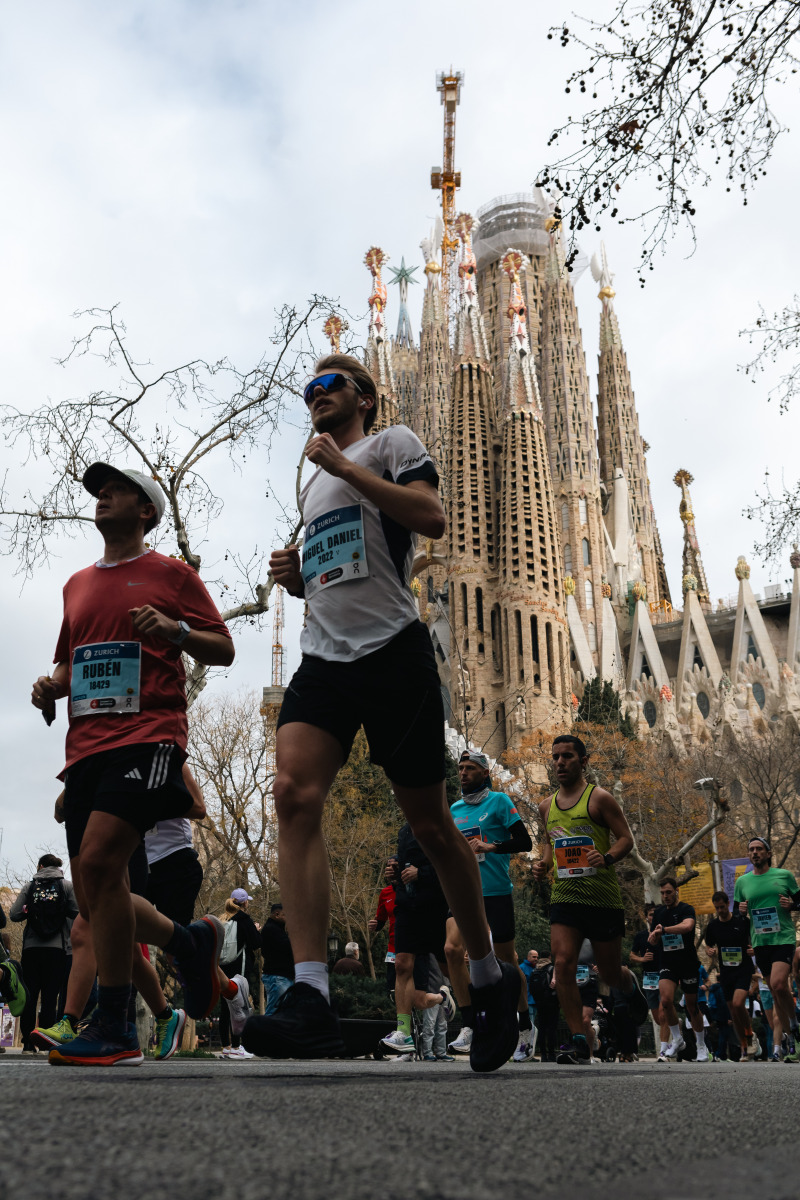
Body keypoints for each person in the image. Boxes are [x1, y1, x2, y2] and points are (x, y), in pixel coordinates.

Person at [245, 356, 519, 1073]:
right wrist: (299, 580)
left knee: (430, 825)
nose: (315, 396)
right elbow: (343, 576)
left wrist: (345, 466)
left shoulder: (391, 444)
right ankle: (310, 998)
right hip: (325, 660)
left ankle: (490, 981)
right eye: (307, 390)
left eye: (328, 386)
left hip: (393, 653)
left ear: (363, 398)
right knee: (291, 794)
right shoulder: (313, 486)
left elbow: (429, 517)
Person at [30, 461, 235, 1065]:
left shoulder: (171, 573)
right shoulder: (76, 585)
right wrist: (52, 687)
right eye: (98, 492)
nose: (102, 498)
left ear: (145, 510)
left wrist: (174, 631)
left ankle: (116, 1024)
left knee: (95, 864)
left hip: (149, 738)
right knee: (98, 893)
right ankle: (190, 941)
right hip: (85, 750)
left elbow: (222, 647)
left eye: (115, 491)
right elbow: (73, 663)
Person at [533, 735, 648, 1064]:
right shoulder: (546, 807)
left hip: (602, 900)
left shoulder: (600, 800)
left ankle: (629, 982)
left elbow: (626, 839)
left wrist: (607, 858)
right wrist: (543, 864)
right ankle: (580, 1041)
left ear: (583, 762)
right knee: (563, 964)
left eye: (567, 756)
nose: (559, 762)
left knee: (610, 975)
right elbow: (549, 843)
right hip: (565, 898)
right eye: (555, 757)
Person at [446, 750, 534, 1063]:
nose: (463, 773)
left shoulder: (499, 802)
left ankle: (524, 1023)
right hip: (463, 893)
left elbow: (525, 842)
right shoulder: (454, 809)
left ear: (485, 773)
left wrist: (491, 846)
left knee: (506, 959)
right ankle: (469, 1023)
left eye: (470, 768)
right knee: (452, 951)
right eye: (460, 768)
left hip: (495, 891)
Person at [380, 823, 455, 1055]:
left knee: (449, 967)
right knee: (402, 964)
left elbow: (452, 864)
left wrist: (422, 873)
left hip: (434, 905)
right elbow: (408, 867)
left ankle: (476, 1016)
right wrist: (396, 874)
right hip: (407, 906)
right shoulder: (403, 831)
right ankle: (403, 1032)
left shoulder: (440, 822)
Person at [734, 836, 800, 1061]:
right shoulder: (742, 882)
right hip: (760, 942)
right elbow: (736, 915)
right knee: (774, 991)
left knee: (779, 984)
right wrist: (741, 912)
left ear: (768, 853)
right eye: (751, 849)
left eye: (759, 849)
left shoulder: (784, 876)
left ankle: (794, 1025)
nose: (755, 853)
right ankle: (791, 1038)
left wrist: (791, 905)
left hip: (783, 938)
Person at [10, 854, 79, 1053]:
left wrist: (28, 912)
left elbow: (14, 914)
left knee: (30, 996)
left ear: (40, 866)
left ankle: (28, 1044)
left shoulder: (29, 887)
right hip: (57, 949)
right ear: (59, 868)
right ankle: (47, 1041)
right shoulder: (66, 886)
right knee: (50, 998)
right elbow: (79, 912)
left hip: (31, 949)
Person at [647, 877, 707, 1061]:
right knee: (665, 1001)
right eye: (663, 893)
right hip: (667, 963)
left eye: (668, 892)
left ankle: (701, 1045)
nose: (665, 896)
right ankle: (678, 1038)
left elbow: (687, 926)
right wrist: (653, 938)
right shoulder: (658, 913)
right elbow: (654, 937)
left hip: (687, 963)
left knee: (691, 1006)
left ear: (676, 891)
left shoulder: (686, 909)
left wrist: (663, 930)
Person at [703, 889, 759, 1061]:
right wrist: (709, 950)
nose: (720, 910)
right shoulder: (712, 926)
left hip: (743, 969)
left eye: (722, 906)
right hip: (726, 971)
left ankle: (750, 1034)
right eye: (717, 908)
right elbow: (708, 945)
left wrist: (753, 949)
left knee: (738, 1002)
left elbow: (755, 939)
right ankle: (744, 1046)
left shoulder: (742, 922)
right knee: (733, 1011)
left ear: (728, 904)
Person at [218, 890, 261, 1059]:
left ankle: (226, 1047)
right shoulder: (244, 920)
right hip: (239, 968)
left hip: (222, 968)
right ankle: (236, 1046)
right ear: (244, 903)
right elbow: (256, 943)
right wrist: (256, 930)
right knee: (238, 1006)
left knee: (224, 1008)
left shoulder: (222, 919)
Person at [629, 902, 669, 1055]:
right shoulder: (641, 936)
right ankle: (675, 1024)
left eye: (656, 914)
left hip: (665, 975)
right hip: (649, 979)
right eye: (651, 914)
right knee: (659, 1019)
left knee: (663, 1011)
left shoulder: (666, 933)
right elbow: (631, 956)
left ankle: (664, 1051)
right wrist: (642, 959)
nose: (653, 917)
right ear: (646, 917)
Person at [368, 857, 398, 995]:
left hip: (415, 946)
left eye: (393, 866)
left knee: (418, 989)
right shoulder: (385, 893)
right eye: (388, 865)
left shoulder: (412, 889)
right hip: (393, 946)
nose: (389, 868)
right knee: (392, 990)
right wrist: (375, 925)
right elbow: (380, 920)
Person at [261, 902, 295, 1016]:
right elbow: (287, 947)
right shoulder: (272, 930)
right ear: (277, 914)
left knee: (281, 1010)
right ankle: (267, 1032)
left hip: (281, 976)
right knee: (275, 1010)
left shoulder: (276, 929)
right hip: (278, 976)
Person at [527, 952, 559, 1062]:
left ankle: (543, 1055)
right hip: (552, 1002)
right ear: (550, 957)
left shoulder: (535, 970)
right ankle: (551, 1054)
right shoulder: (552, 969)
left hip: (539, 1003)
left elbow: (531, 988)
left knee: (542, 1028)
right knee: (552, 1028)